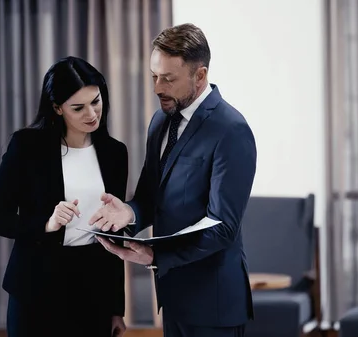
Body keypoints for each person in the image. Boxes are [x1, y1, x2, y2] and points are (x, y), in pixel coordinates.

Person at [91, 23, 256, 337]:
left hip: (214, 304)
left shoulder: (231, 130)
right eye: (154, 76)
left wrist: (156, 255)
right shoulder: (160, 121)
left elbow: (223, 227)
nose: (157, 88)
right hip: (173, 297)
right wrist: (129, 212)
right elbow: (150, 195)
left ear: (200, 75)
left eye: (168, 78)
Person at [0, 56, 128, 337]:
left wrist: (115, 308)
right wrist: (46, 224)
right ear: (57, 108)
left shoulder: (115, 153)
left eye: (96, 101)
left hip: (92, 290)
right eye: (78, 107)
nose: (92, 114)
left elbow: (115, 235)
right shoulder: (26, 146)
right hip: (37, 289)